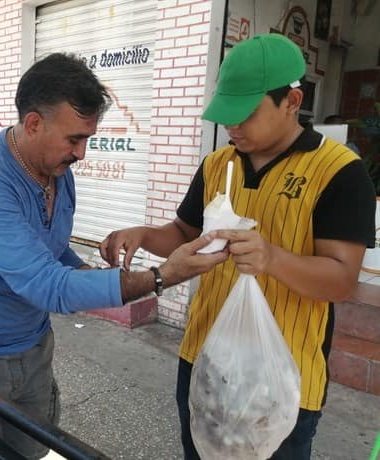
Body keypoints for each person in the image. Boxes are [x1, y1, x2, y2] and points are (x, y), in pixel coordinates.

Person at [0, 52, 227, 459]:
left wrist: (84, 270)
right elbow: (45, 284)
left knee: (29, 450)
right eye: (74, 139)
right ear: (33, 124)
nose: (82, 154)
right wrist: (161, 277)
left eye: (87, 139)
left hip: (30, 344)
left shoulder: (55, 171)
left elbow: (48, 248)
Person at [99, 34, 376, 460]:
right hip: (206, 357)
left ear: (292, 100)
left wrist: (273, 258)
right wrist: (143, 234)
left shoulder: (338, 172)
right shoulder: (217, 164)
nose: (232, 126)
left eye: (245, 113)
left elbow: (341, 281)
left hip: (281, 373)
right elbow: (183, 232)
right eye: (226, 114)